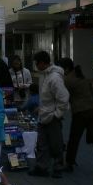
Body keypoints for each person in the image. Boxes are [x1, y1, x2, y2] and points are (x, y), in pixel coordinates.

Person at [59, 58, 93, 177]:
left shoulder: (67, 80)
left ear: (66, 68)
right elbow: (91, 94)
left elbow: (63, 96)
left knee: (74, 139)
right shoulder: (82, 77)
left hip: (80, 112)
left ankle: (69, 163)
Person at [29, 50, 70, 178]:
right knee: (42, 142)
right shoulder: (44, 75)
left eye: (36, 63)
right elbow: (45, 97)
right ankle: (42, 167)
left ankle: (57, 167)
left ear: (42, 63)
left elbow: (63, 98)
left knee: (55, 143)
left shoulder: (54, 78)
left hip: (52, 116)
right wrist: (41, 108)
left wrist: (57, 114)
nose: (35, 66)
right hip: (44, 114)